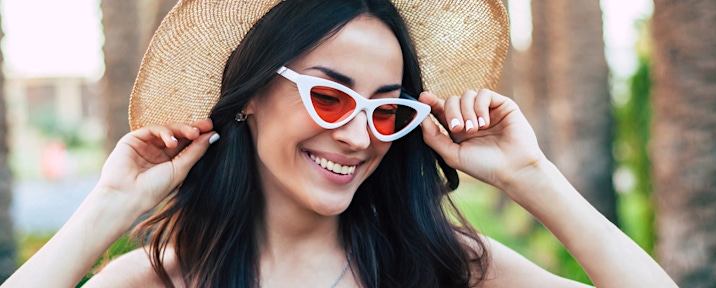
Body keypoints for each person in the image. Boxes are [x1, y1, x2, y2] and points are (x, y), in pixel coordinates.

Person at [2, 0, 678, 287]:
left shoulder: (442, 268)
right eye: (329, 96)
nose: (359, 136)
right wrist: (108, 207)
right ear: (250, 99)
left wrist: (532, 175)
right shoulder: (159, 280)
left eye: (389, 113)